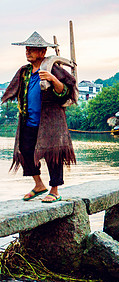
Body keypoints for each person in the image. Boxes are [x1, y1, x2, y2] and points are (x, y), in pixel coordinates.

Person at [1, 32, 77, 203]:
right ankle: (39, 185)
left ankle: (55, 190)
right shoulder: (24, 71)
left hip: (50, 122)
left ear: (42, 52)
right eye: (26, 49)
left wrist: (52, 79)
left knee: (53, 154)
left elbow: (65, 93)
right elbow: (13, 89)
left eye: (31, 49)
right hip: (28, 121)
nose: (27, 52)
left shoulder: (53, 69)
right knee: (25, 150)